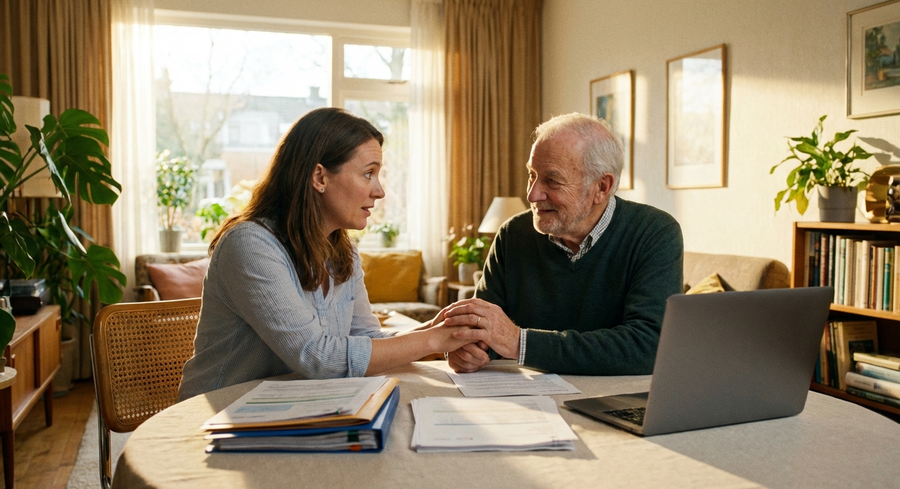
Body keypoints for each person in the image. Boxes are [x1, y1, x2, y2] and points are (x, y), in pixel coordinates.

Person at [178, 108, 476, 401]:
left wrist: (441, 330)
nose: (380, 191)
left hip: (293, 411)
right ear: (319, 177)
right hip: (217, 417)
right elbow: (316, 356)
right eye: (368, 174)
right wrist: (433, 339)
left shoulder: (342, 250)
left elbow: (367, 342)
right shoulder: (250, 244)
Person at [443, 112, 683, 375]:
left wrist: (519, 343)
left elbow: (647, 346)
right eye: (531, 175)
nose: (532, 194)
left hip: (610, 401)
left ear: (602, 187)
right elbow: (481, 332)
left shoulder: (654, 233)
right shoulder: (513, 234)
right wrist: (467, 349)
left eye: (552, 180)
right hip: (525, 400)